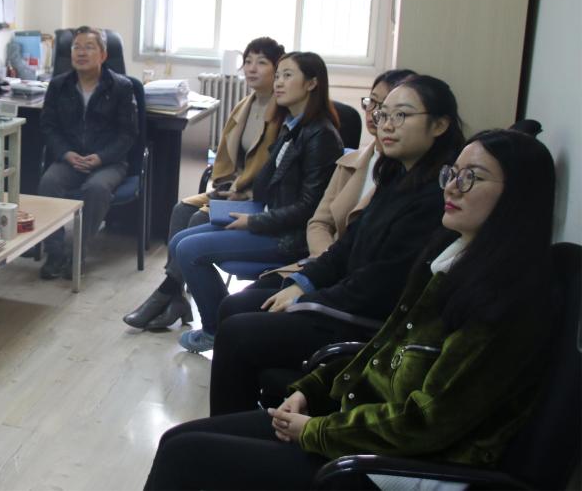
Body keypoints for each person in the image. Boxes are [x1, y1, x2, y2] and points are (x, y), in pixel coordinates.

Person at [144, 129, 557, 491]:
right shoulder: (451, 256)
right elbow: (383, 345)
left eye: (473, 178)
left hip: (395, 469)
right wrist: (311, 391)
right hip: (360, 428)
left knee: (186, 455)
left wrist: (317, 431)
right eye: (453, 174)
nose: (452, 188)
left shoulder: (507, 297)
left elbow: (429, 424)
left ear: (519, 195)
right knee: (176, 440)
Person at [208, 75, 464, 414]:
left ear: (440, 125)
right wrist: (302, 283)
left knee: (238, 332)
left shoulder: (436, 198)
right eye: (383, 114)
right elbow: (346, 246)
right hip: (345, 296)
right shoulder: (397, 175)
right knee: (234, 306)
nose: (386, 124)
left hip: (366, 321)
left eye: (401, 115)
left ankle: (235, 430)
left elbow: (380, 288)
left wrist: (307, 301)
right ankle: (244, 420)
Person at [174, 52, 344, 353]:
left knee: (188, 249)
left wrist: (254, 221)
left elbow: (309, 208)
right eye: (278, 75)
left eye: (288, 76)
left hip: (290, 236)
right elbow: (269, 181)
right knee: (180, 240)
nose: (278, 83)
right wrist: (243, 194)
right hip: (270, 217)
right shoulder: (292, 125)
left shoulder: (321, 135)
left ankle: (215, 329)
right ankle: (221, 321)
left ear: (312, 83)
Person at [124, 37, 285, 330]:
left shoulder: (282, 113)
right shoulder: (244, 106)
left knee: (199, 217)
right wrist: (225, 186)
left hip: (256, 197)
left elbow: (273, 170)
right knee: (181, 210)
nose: (251, 69)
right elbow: (227, 158)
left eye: (261, 62)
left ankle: (170, 293)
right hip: (233, 190)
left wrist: (240, 191)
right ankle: (175, 292)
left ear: (277, 69)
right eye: (248, 62)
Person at [257, 68, 416, 282]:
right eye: (372, 102)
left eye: (388, 108)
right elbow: (319, 222)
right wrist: (326, 262)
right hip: (324, 263)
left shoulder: (404, 173)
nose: (374, 113)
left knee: (246, 299)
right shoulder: (349, 162)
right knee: (246, 296)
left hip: (352, 278)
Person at [37, 26, 138, 280]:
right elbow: (48, 127)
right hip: (70, 159)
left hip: (108, 162)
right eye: (76, 47)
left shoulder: (121, 87)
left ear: (103, 55)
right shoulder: (59, 85)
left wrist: (101, 158)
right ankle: (54, 253)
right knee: (48, 183)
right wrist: (66, 153)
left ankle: (76, 254)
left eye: (89, 47)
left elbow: (128, 134)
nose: (81, 53)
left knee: (96, 188)